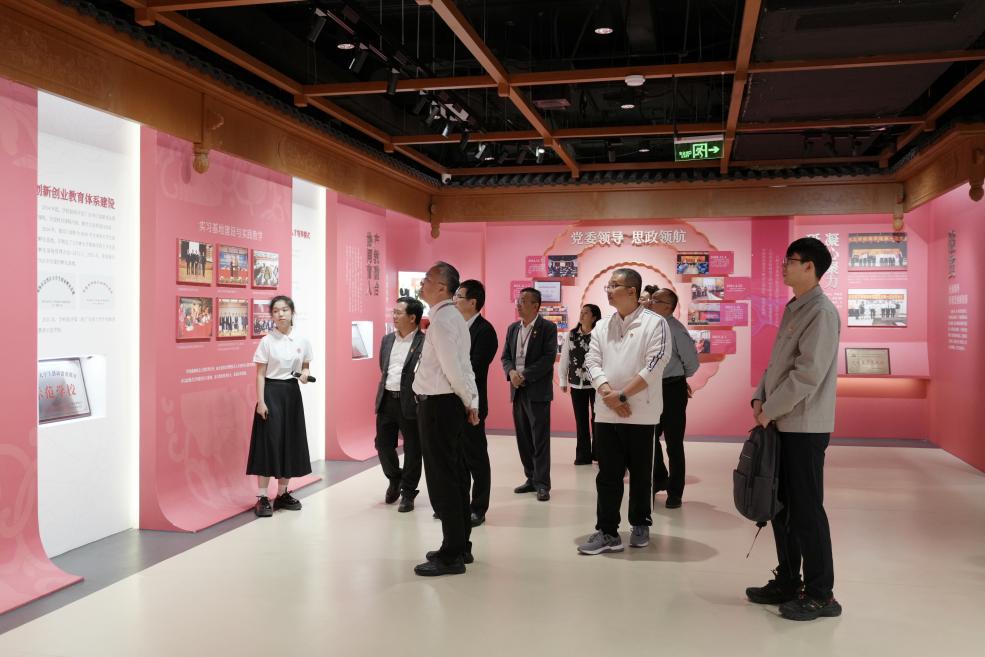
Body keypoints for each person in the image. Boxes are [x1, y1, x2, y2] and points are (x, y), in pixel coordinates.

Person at [746, 237, 842, 622]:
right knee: (781, 507)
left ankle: (821, 594)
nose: (783, 266)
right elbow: (777, 364)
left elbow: (807, 375)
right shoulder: (796, 307)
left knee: (806, 510)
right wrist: (759, 397)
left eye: (791, 260)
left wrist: (769, 409)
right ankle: (788, 579)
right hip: (781, 421)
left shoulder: (821, 312)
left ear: (810, 267)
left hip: (804, 425)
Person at [577, 268, 670, 555]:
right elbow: (591, 360)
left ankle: (640, 523)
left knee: (642, 474)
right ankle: (607, 532)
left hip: (641, 414)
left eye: (613, 285)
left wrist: (622, 395)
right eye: (607, 285)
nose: (608, 290)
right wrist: (608, 393)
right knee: (608, 474)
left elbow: (656, 363)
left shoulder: (655, 323)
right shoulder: (603, 325)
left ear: (632, 291)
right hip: (607, 412)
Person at [413, 262, 480, 577]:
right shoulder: (453, 317)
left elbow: (454, 368)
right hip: (448, 405)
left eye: (427, 279)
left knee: (444, 482)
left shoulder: (441, 321)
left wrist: (468, 400)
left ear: (441, 287)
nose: (422, 283)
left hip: (438, 407)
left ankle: (451, 554)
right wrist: (471, 401)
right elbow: (465, 367)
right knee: (455, 478)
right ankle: (460, 545)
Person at [246, 295, 312, 517]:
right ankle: (262, 497)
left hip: (292, 394)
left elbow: (305, 366)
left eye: (284, 310)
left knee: (289, 443)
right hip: (271, 393)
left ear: (292, 312)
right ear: (272, 316)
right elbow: (260, 374)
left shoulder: (302, 340)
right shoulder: (267, 341)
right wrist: (261, 401)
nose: (280, 314)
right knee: (268, 444)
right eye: (276, 311)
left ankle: (282, 493)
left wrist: (305, 374)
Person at [501, 287, 558, 501]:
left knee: (539, 439)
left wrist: (523, 375)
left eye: (523, 301)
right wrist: (511, 372)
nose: (518, 304)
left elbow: (548, 358)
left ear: (536, 305)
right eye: (518, 300)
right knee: (523, 437)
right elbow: (506, 356)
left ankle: (542, 484)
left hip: (537, 391)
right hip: (517, 390)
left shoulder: (547, 328)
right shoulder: (513, 328)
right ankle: (531, 478)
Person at [648, 288, 699, 508]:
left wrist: (679, 377)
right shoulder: (650, 326)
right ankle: (659, 478)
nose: (650, 303)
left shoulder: (676, 330)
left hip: (672, 389)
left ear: (668, 307)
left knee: (674, 443)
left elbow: (692, 363)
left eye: (655, 300)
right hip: (650, 388)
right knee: (649, 438)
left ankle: (675, 492)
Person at [374, 297, 426, 512]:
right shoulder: (387, 340)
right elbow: (383, 368)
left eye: (398, 313)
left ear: (412, 318)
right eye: (393, 312)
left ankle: (408, 492)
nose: (394, 316)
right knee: (383, 445)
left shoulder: (425, 342)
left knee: (413, 448)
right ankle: (395, 478)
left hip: (411, 401)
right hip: (387, 398)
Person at [454, 280, 498, 526]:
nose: (454, 300)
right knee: (456, 458)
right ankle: (459, 504)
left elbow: (475, 369)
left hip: (472, 403)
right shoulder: (455, 326)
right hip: (451, 402)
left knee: (476, 457)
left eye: (459, 296)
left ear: (473, 302)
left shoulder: (485, 331)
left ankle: (478, 507)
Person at [558, 304, 602, 464]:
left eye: (586, 313)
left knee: (598, 419)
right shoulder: (571, 335)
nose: (582, 315)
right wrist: (562, 379)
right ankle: (583, 455)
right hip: (576, 383)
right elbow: (564, 358)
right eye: (581, 312)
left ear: (594, 317)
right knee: (581, 420)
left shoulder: (599, 334)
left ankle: (599, 453)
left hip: (597, 383)